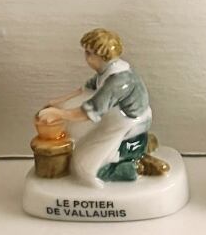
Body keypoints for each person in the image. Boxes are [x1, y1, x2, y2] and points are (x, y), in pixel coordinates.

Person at [37, 29, 152, 187]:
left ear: (101, 55)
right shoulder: (105, 72)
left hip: (128, 123)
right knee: (74, 130)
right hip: (112, 116)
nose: (86, 57)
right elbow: (84, 90)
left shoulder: (118, 80)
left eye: (88, 53)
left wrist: (58, 113)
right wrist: (57, 102)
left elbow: (88, 112)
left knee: (85, 166)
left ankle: (131, 168)